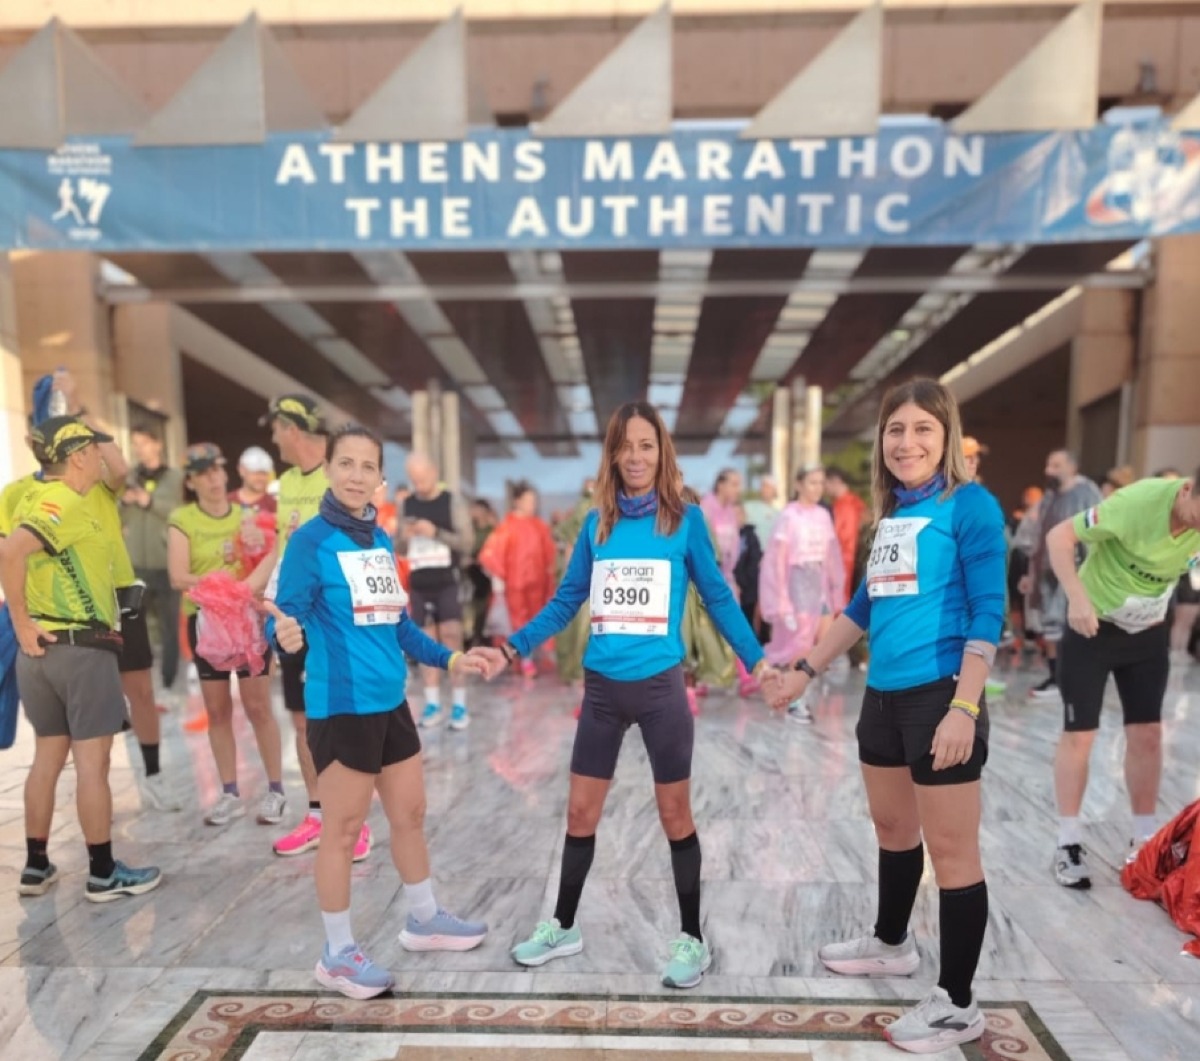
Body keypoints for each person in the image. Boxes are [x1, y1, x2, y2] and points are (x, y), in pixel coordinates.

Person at [499, 402, 779, 990]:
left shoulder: (685, 522)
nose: (635, 456)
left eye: (646, 445)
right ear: (612, 453)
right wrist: (512, 646)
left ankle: (691, 939)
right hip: (602, 691)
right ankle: (564, 925)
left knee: (675, 814)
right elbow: (566, 597)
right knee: (580, 813)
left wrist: (759, 662)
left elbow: (720, 598)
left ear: (662, 451)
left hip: (660, 691)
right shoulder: (598, 523)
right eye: (625, 446)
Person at [768, 378, 1006, 1054]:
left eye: (922, 429)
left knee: (954, 853)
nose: (907, 442)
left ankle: (959, 1003)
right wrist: (803, 672)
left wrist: (965, 704)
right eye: (896, 430)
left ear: (947, 438)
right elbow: (862, 608)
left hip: (942, 693)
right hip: (884, 696)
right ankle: (891, 943)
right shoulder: (894, 517)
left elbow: (990, 611)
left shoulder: (972, 507)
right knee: (893, 827)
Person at [263, 425, 497, 999]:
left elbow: (398, 626)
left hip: (391, 703)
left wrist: (452, 657)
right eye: (346, 463)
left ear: (381, 479)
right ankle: (336, 954)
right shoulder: (310, 542)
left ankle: (423, 919)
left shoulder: (379, 540)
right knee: (342, 830)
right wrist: (283, 633)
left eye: (367, 466)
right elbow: (281, 615)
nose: (356, 475)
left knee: (411, 813)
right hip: (340, 708)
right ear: (330, 470)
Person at [0, 416, 164, 902]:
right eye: (94, 448)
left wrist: (24, 625)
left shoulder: (25, 497)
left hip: (42, 656)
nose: (100, 456)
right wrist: (22, 621)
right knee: (93, 764)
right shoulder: (62, 501)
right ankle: (102, 872)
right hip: (79, 647)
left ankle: (35, 865)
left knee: (48, 757)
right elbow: (12, 552)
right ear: (76, 456)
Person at [1047, 470, 1200, 888]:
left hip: (1148, 631)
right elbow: (1060, 536)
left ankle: (1144, 839)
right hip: (1092, 627)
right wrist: (1076, 597)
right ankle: (1068, 841)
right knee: (1081, 734)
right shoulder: (1136, 504)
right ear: (1187, 489)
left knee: (1148, 732)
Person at [247, 395, 370, 860]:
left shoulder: (337, 475)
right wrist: (247, 590)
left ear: (291, 428)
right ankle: (319, 814)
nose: (273, 437)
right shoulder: (286, 483)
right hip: (290, 614)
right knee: (303, 720)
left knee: (343, 717)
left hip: (333, 619)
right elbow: (284, 550)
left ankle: (354, 821)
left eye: (276, 429)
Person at [168, 443, 286, 827]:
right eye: (203, 474)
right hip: (207, 627)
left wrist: (248, 582)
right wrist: (221, 585)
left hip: (247, 624)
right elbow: (177, 576)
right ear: (191, 481)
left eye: (217, 470)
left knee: (258, 707)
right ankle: (230, 792)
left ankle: (275, 790)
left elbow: (271, 555)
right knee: (217, 710)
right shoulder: (182, 519)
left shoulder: (247, 515)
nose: (214, 479)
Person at [760, 467, 845, 723]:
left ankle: (801, 693)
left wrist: (836, 590)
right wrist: (781, 600)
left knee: (826, 643)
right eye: (812, 482)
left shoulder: (822, 515)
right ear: (798, 484)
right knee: (800, 645)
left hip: (819, 584)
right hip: (797, 584)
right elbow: (777, 559)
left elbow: (832, 556)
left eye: (821, 482)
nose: (817, 488)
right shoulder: (789, 516)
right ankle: (795, 701)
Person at [395, 455, 473, 729]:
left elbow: (467, 542)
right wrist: (405, 535)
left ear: (434, 471)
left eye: (423, 478)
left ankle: (460, 704)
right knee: (427, 645)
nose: (419, 484)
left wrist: (435, 532)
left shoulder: (452, 501)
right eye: (414, 479)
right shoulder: (407, 503)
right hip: (419, 583)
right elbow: (400, 548)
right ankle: (432, 703)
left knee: (452, 638)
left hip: (447, 581)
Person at [1022, 450, 1102, 700]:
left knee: (1077, 625)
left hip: (1079, 571)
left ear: (1072, 467)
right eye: (1048, 465)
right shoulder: (1049, 497)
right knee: (1051, 626)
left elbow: (1099, 532)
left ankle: (1078, 679)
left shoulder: (1088, 494)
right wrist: (1030, 573)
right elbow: (1036, 534)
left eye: (1056, 465)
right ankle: (1056, 677)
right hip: (1047, 570)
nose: (1049, 470)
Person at [121, 424, 185, 695]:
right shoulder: (128, 478)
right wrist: (124, 502)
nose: (139, 449)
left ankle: (169, 681)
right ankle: (139, 684)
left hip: (166, 564)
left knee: (169, 627)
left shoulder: (175, 478)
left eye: (144, 443)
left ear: (157, 444)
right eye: (135, 444)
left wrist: (150, 502)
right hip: (135, 566)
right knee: (132, 626)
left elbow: (180, 513)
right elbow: (117, 516)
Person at [479, 481, 558, 678]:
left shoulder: (540, 526)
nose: (532, 504)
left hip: (538, 583)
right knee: (519, 620)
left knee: (538, 619)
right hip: (516, 584)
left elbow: (550, 555)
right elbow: (491, 554)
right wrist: (499, 581)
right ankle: (526, 660)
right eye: (528, 500)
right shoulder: (507, 527)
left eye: (534, 500)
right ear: (517, 501)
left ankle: (535, 657)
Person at [825, 467, 867, 597]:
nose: (824, 488)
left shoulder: (846, 506)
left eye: (824, 483)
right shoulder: (854, 503)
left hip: (843, 563)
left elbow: (844, 539)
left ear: (835, 481)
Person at [230, 446, 276, 515]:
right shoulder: (227, 502)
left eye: (264, 473)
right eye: (256, 473)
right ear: (242, 470)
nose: (260, 478)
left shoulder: (275, 504)